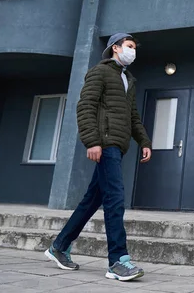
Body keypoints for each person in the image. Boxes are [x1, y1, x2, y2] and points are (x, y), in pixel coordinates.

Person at [45, 33, 152, 281]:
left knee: (92, 200)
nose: (133, 51)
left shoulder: (128, 80)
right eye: (129, 46)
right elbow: (85, 106)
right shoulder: (100, 72)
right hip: (106, 144)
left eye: (134, 48)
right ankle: (117, 260)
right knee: (114, 198)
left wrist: (144, 141)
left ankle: (59, 246)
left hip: (118, 145)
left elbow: (133, 117)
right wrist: (92, 141)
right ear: (115, 48)